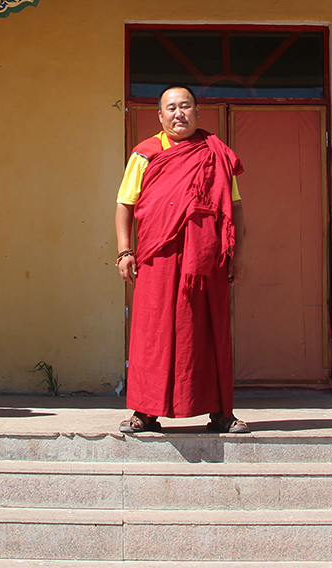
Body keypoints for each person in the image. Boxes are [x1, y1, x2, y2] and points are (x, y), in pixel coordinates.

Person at [114, 85, 249, 434]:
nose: (179, 113)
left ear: (198, 112)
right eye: (171, 108)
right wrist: (125, 250)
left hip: (206, 259)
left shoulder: (214, 152)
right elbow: (125, 204)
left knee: (207, 330)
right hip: (158, 257)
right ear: (160, 117)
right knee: (152, 333)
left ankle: (221, 412)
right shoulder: (145, 154)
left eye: (185, 106)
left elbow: (234, 208)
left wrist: (235, 255)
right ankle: (145, 412)